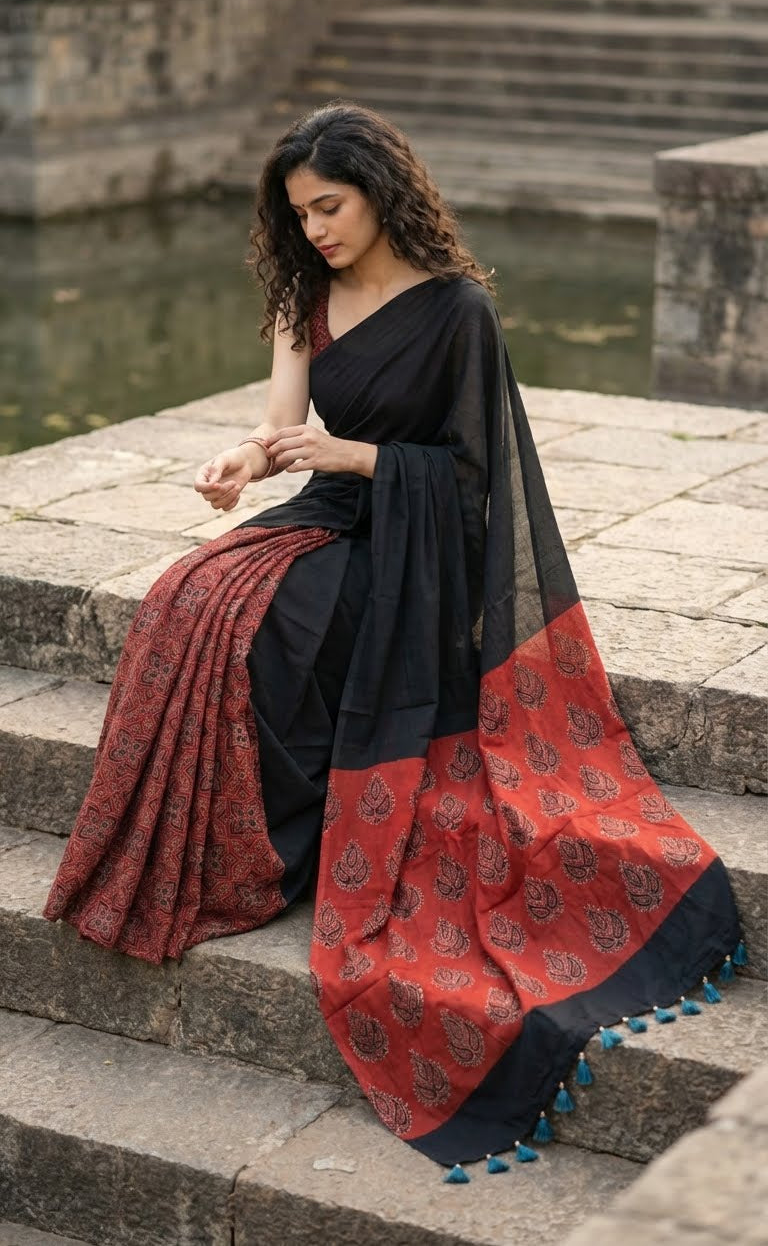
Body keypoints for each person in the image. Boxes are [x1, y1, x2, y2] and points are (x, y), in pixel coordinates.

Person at [43, 101, 743, 1171]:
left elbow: (473, 483)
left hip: (418, 543)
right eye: (300, 213)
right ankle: (228, 842)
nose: (315, 229)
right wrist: (245, 462)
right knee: (190, 593)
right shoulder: (304, 294)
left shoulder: (458, 310)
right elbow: (285, 429)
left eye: (330, 206)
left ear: (379, 192)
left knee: (281, 619)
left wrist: (359, 459)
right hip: (329, 511)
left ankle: (279, 839)